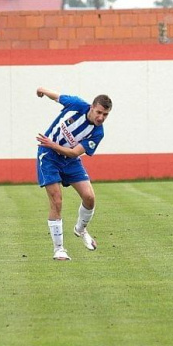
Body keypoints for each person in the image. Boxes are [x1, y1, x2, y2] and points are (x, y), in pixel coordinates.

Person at [36, 87, 113, 261]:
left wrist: (52, 144)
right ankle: (59, 249)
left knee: (90, 198)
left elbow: (74, 153)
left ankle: (80, 229)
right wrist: (42, 91)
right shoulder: (77, 104)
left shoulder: (97, 132)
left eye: (105, 115)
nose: (101, 117)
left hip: (69, 159)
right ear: (92, 107)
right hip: (48, 156)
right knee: (56, 201)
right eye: (99, 112)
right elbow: (57, 97)